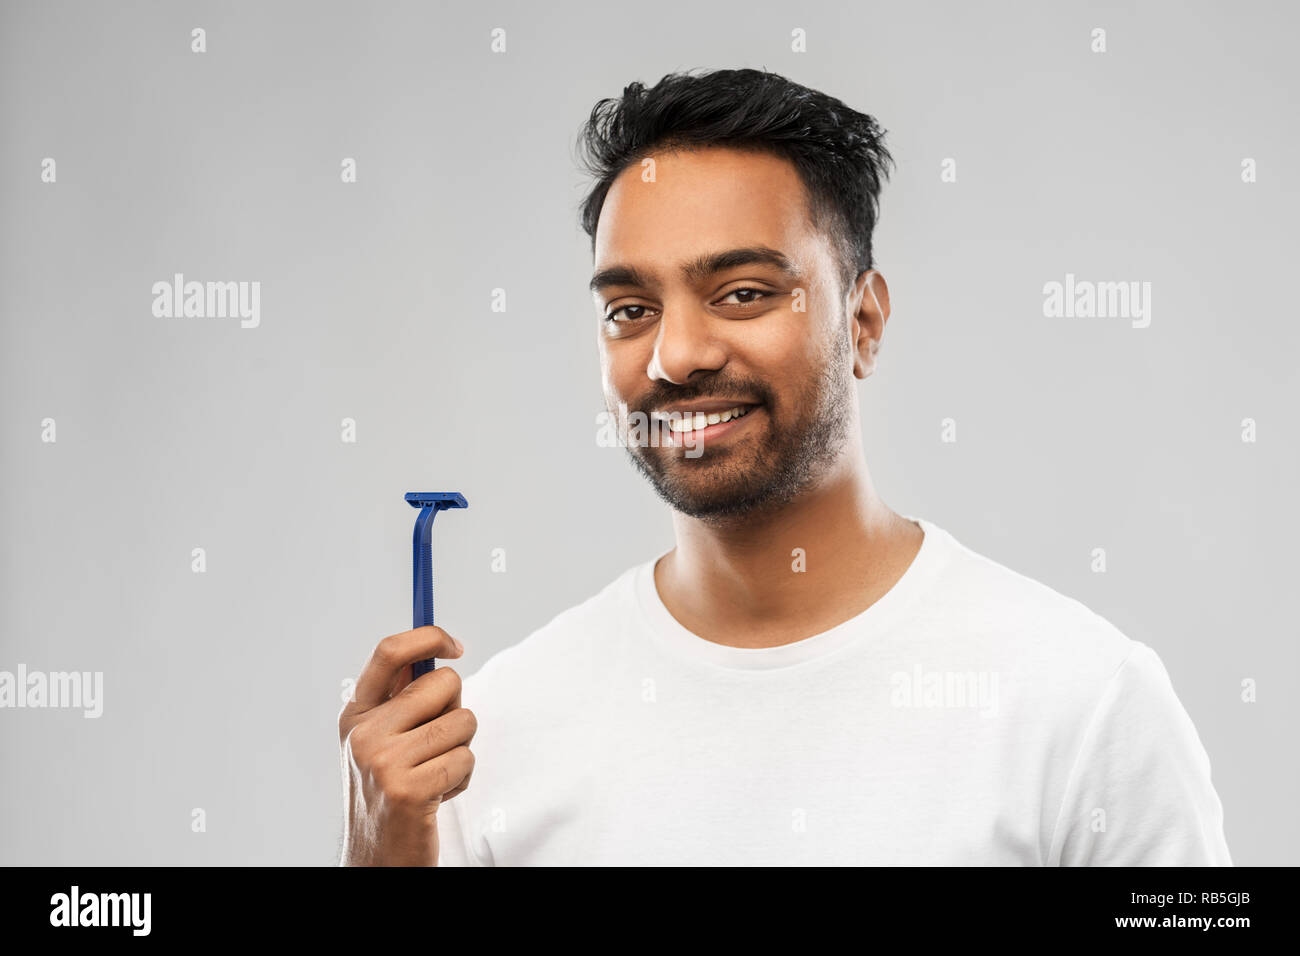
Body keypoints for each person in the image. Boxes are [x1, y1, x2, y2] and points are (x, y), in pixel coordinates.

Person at [337, 68, 1232, 866]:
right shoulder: (481, 744)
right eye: (630, 309)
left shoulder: (1084, 705)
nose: (675, 355)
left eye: (743, 294)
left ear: (865, 322)